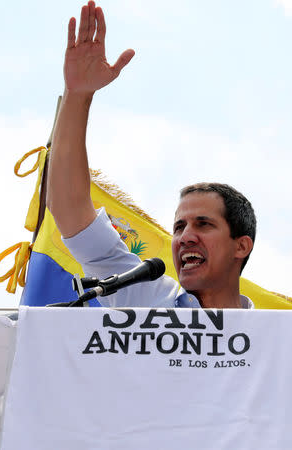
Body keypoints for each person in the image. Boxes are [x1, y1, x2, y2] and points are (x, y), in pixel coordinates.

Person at [46, 2, 256, 309]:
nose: (186, 237)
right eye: (179, 227)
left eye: (204, 224)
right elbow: (70, 214)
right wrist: (78, 95)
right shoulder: (150, 298)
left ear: (241, 245)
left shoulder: (274, 338)